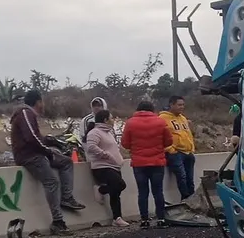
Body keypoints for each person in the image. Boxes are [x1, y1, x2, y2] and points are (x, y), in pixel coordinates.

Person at [10, 89, 85, 235]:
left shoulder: (28, 114)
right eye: (42, 102)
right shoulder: (26, 113)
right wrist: (48, 151)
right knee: (51, 182)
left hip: (36, 154)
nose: (43, 105)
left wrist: (53, 141)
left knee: (66, 162)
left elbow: (37, 137)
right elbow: (31, 138)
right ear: (38, 102)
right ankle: (58, 222)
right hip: (30, 156)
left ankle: (67, 198)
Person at [122, 100, 174, 229]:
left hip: (139, 163)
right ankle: (161, 219)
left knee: (142, 192)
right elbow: (169, 141)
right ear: (152, 109)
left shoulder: (130, 123)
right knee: (158, 191)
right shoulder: (160, 121)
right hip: (157, 162)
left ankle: (144, 220)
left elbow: (125, 143)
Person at [84, 109, 129, 227]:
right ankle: (100, 190)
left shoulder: (109, 133)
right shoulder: (95, 132)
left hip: (114, 166)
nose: (113, 120)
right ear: (105, 120)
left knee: (116, 193)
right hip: (102, 167)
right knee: (120, 185)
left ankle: (117, 218)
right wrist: (106, 155)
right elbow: (91, 147)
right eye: (111, 118)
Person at [160, 95, 197, 201]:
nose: (182, 107)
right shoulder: (163, 118)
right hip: (176, 153)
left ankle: (192, 200)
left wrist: (191, 148)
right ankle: (185, 199)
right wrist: (170, 149)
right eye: (179, 105)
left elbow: (188, 134)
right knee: (182, 177)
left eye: (183, 105)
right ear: (171, 105)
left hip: (188, 152)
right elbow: (161, 136)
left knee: (190, 179)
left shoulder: (183, 118)